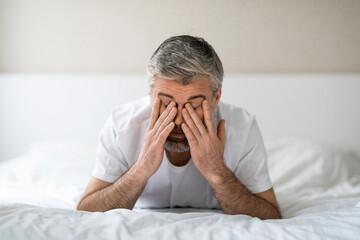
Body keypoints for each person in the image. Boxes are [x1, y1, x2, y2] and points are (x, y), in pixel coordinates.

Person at [77, 35, 282, 219]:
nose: (178, 120)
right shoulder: (121, 125)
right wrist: (141, 169)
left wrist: (216, 171)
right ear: (151, 94)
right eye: (166, 103)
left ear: (216, 98)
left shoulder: (243, 128)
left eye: (194, 106)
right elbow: (86, 211)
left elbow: (270, 215)